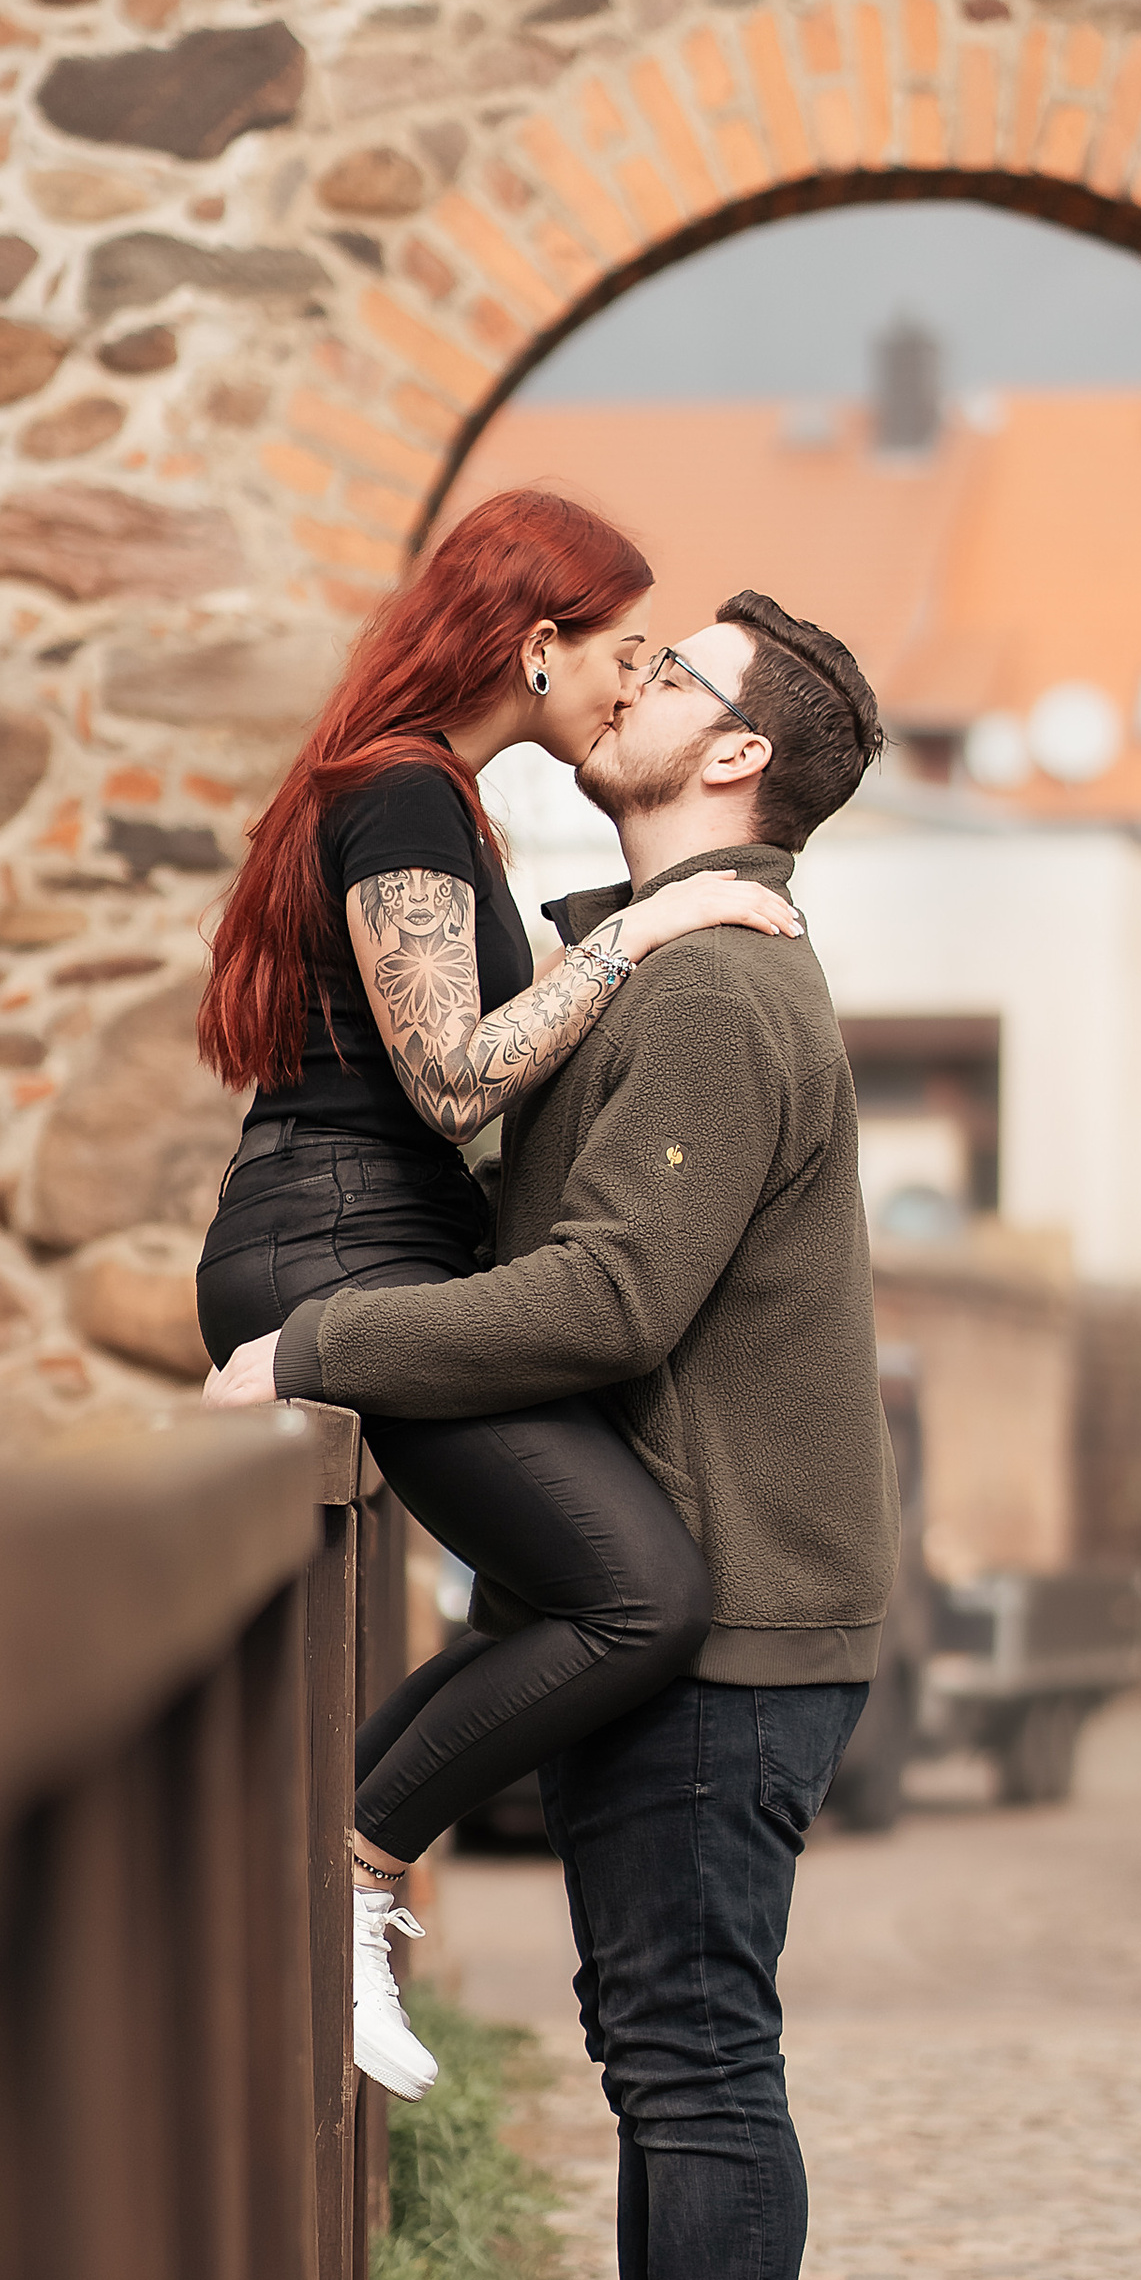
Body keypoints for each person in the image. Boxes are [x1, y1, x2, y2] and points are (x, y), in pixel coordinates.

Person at [207, 593, 896, 2280]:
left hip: (730, 1622)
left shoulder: (711, 990)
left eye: (672, 673)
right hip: (688, 1611)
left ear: (735, 761)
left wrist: (310, 1339)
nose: (628, 681)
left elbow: (605, 1301)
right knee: (672, 2061)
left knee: (690, 2074)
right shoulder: (654, 943)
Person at [193, 491, 802, 2106]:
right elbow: (458, 1080)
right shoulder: (398, 796)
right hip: (330, 1253)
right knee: (639, 1591)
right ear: (537, 647)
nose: (632, 683)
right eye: (625, 653)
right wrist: (651, 933)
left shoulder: (437, 797)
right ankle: (345, 1884)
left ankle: (335, 1878)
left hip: (380, 1252)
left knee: (574, 1589)